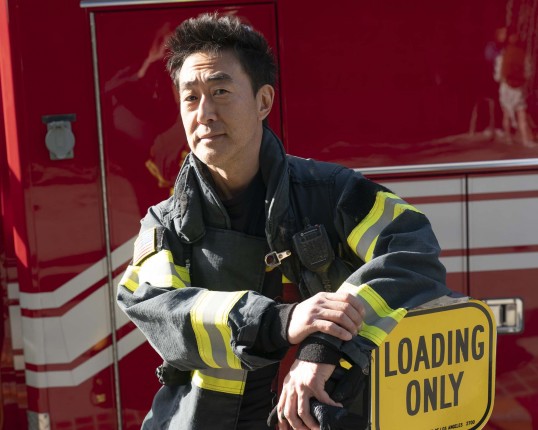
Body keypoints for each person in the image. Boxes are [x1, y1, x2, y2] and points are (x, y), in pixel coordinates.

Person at [117, 12, 450, 430]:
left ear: (263, 102)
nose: (204, 113)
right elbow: (156, 307)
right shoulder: (165, 226)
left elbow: (412, 251)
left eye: (220, 91)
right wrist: (280, 321)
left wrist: (323, 346)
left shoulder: (332, 194)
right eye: (190, 97)